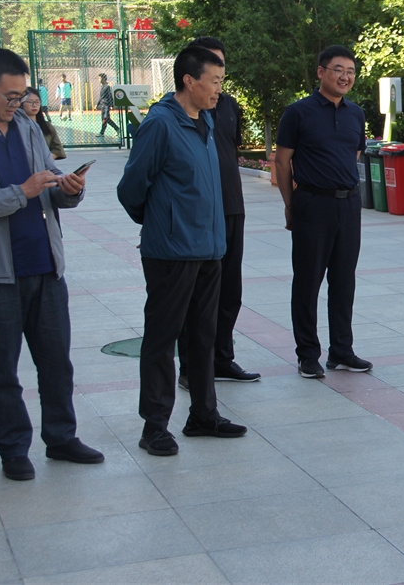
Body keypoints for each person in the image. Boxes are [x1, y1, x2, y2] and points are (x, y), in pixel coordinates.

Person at [0, 48, 103, 480]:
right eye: (10, 97)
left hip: (45, 265)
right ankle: (13, 451)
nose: (19, 104)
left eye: (23, 95)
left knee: (56, 362)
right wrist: (21, 192)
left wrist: (68, 189)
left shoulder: (26, 126)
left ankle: (61, 438)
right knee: (2, 370)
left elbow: (48, 186)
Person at [117, 46, 247, 457]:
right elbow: (131, 188)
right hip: (171, 253)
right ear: (189, 81)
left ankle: (203, 415)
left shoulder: (205, 118)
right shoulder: (160, 124)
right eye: (214, 81)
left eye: (222, 82)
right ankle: (154, 426)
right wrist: (163, 222)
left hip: (209, 248)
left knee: (203, 336)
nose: (219, 90)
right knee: (162, 339)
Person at [274, 45, 373, 379]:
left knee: (344, 282)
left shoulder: (356, 114)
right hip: (312, 204)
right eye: (338, 70)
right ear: (321, 72)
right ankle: (307, 355)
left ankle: (341, 351)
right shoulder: (298, 113)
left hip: (349, 205)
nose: (345, 77)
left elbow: (354, 154)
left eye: (351, 72)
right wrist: (290, 204)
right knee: (308, 282)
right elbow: (282, 162)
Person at [175, 37, 259, 390]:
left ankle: (222, 359)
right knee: (196, 294)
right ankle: (191, 367)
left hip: (231, 207)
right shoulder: (174, 112)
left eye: (221, 69)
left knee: (229, 289)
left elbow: (229, 150)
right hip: (197, 213)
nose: (217, 78)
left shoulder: (228, 106)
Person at [21, 87, 65, 160]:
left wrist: (45, 160)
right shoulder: (16, 126)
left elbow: (58, 149)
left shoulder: (47, 126)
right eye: (30, 102)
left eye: (37, 102)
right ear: (21, 103)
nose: (34, 105)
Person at [96, 73, 120, 138]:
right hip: (102, 105)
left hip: (106, 105)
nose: (99, 80)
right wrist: (97, 104)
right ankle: (117, 129)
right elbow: (101, 97)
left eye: (100, 78)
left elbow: (110, 96)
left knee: (105, 118)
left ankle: (102, 132)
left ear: (104, 79)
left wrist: (111, 105)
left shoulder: (107, 87)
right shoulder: (102, 87)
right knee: (105, 119)